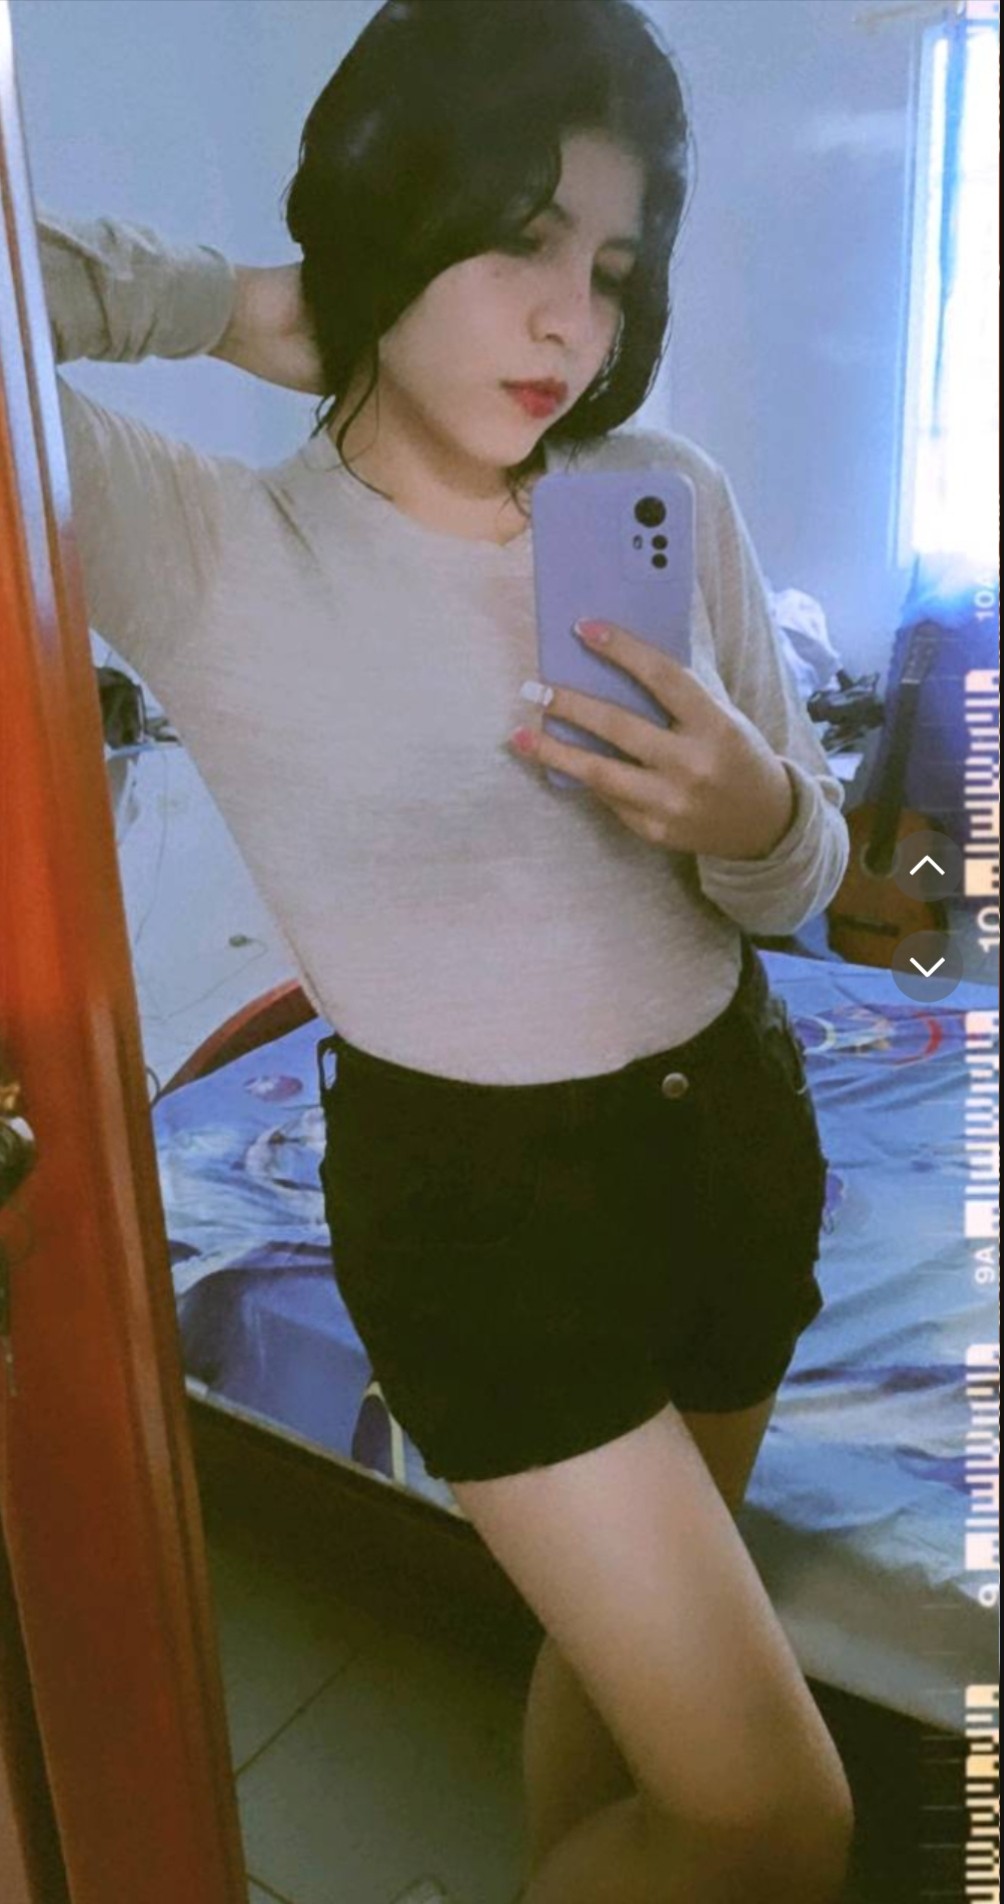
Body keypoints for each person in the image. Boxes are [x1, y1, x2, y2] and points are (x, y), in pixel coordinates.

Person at [38, 2, 855, 1897]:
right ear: (390, 207)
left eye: (613, 268)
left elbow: (801, 874)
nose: (572, 323)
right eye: (513, 237)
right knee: (775, 1821)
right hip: (485, 1222)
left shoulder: (659, 495)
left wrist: (751, 822)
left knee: (626, 1684)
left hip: (733, 1135)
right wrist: (249, 302)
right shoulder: (208, 547)